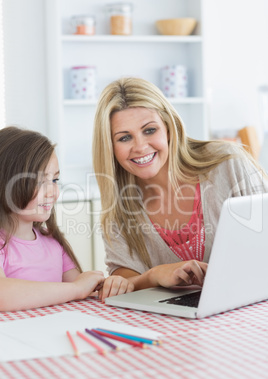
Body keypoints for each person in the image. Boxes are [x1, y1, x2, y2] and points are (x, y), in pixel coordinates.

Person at [92, 76, 268, 296]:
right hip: (176, 321)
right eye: (125, 137)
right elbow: (124, 279)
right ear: (110, 146)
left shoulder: (227, 164)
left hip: (252, 302)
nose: (140, 146)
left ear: (168, 127)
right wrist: (156, 274)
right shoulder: (119, 204)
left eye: (149, 130)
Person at [0, 126, 132, 311]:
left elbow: (82, 291)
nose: (53, 192)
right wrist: (76, 288)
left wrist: (109, 285)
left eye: (55, 180)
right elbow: (3, 295)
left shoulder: (52, 242)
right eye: (39, 181)